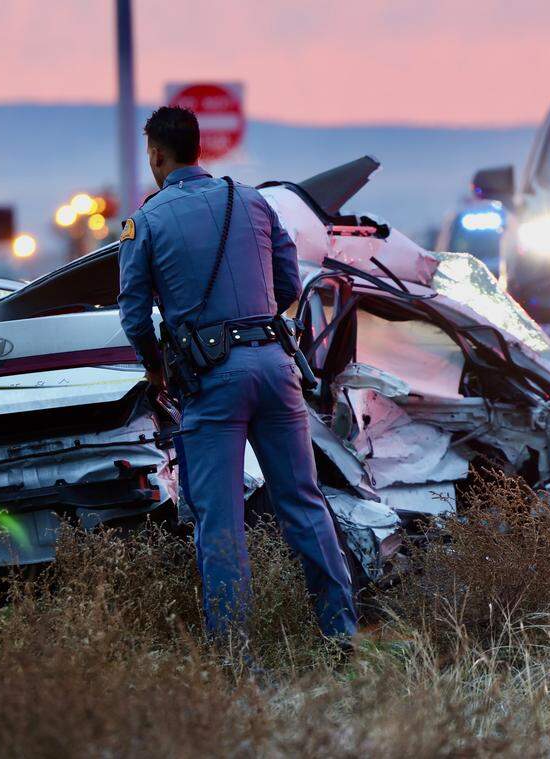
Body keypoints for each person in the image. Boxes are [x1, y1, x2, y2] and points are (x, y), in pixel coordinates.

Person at [117, 107, 357, 647]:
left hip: (211, 382)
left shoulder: (145, 222)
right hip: (275, 367)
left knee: (220, 521)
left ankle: (234, 654)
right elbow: (289, 283)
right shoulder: (250, 200)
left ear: (155, 154)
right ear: (199, 147)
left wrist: (156, 369)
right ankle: (341, 634)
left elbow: (133, 315)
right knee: (304, 502)